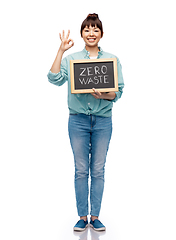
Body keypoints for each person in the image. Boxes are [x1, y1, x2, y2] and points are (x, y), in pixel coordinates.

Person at [47, 13, 124, 232]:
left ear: (101, 34)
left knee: (98, 170)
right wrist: (61, 50)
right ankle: (82, 217)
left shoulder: (112, 60)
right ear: (82, 34)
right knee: (81, 170)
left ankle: (95, 216)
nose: (91, 33)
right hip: (77, 121)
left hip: (102, 121)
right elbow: (54, 79)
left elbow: (118, 92)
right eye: (87, 29)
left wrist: (104, 95)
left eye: (95, 29)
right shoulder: (71, 60)